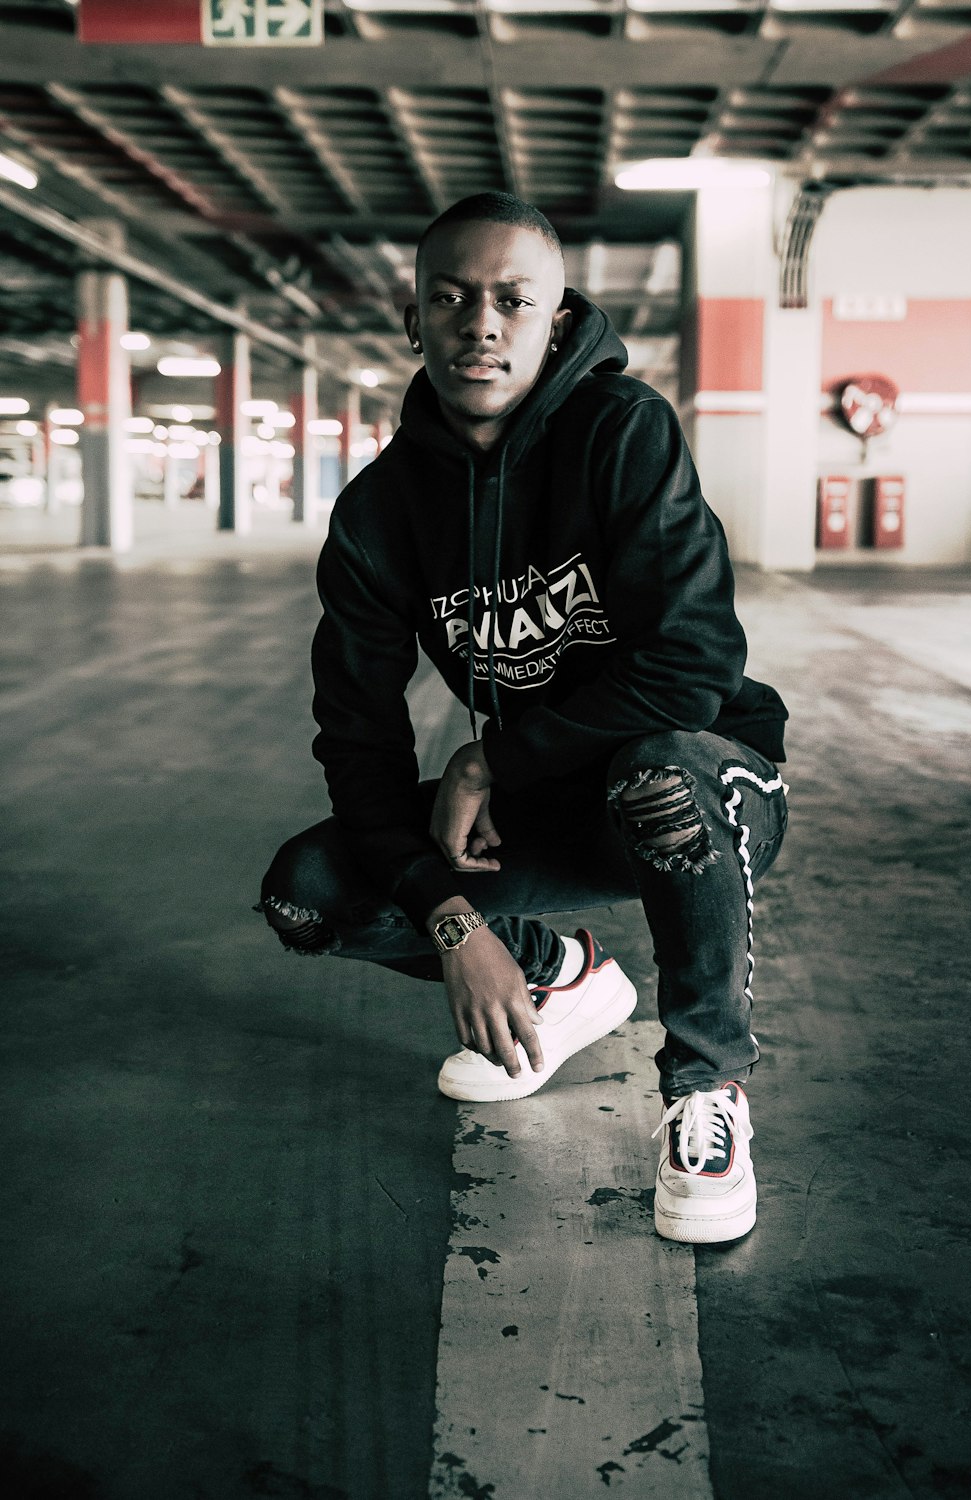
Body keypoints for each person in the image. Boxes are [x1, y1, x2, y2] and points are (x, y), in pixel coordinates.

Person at [259, 192, 789, 1245]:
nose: (480, 323)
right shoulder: (379, 514)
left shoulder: (621, 432)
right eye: (449, 298)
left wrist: (490, 760)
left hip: (707, 787)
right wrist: (454, 923)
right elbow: (356, 742)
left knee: (659, 770)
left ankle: (705, 1086)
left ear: (555, 317)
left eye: (511, 298)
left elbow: (692, 668)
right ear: (413, 320)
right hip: (542, 809)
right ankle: (561, 974)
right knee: (309, 895)